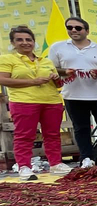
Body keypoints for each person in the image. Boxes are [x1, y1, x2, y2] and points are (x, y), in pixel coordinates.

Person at [0, 26, 72, 179]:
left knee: (53, 134)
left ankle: (56, 163)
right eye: (19, 40)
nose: (25, 43)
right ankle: (24, 167)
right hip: (24, 101)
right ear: (13, 43)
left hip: (51, 101)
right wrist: (33, 81)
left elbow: (58, 85)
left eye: (29, 40)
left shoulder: (45, 61)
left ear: (34, 42)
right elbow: (3, 80)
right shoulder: (7, 59)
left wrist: (56, 79)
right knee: (24, 135)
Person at [49, 16, 97, 168]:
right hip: (73, 95)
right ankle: (86, 157)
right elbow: (51, 69)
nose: (74, 30)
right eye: (70, 27)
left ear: (87, 31)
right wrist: (65, 72)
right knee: (81, 128)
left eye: (78, 28)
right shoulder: (57, 47)